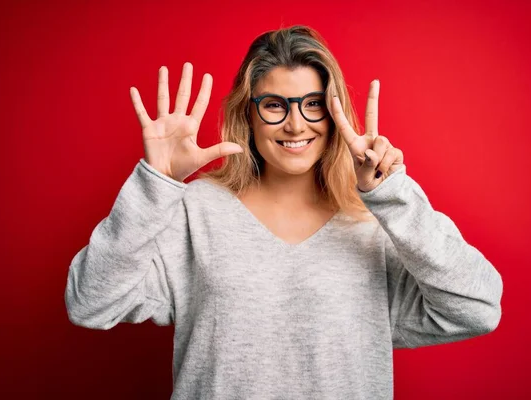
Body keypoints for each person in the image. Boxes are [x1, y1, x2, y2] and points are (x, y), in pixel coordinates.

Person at [65, 25, 503, 399]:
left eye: (313, 104)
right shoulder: (194, 212)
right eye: (275, 105)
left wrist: (392, 194)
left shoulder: (376, 224)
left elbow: (478, 307)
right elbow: (90, 303)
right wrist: (154, 183)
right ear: (248, 115)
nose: (296, 124)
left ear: (334, 116)